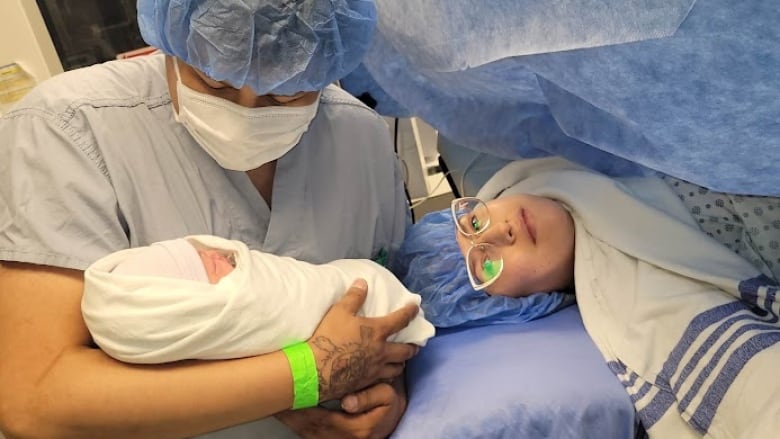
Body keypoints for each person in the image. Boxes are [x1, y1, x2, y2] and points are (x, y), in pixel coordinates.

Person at [0, 1, 418, 438]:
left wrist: (392, 400)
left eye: (287, 90)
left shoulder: (360, 139)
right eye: (215, 79)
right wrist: (305, 374)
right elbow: (36, 400)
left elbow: (397, 319)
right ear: (173, 37)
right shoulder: (70, 128)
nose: (247, 110)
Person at [81, 235, 435, 364]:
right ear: (194, 303)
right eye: (202, 268)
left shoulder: (363, 135)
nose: (216, 256)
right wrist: (311, 370)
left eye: (203, 253)